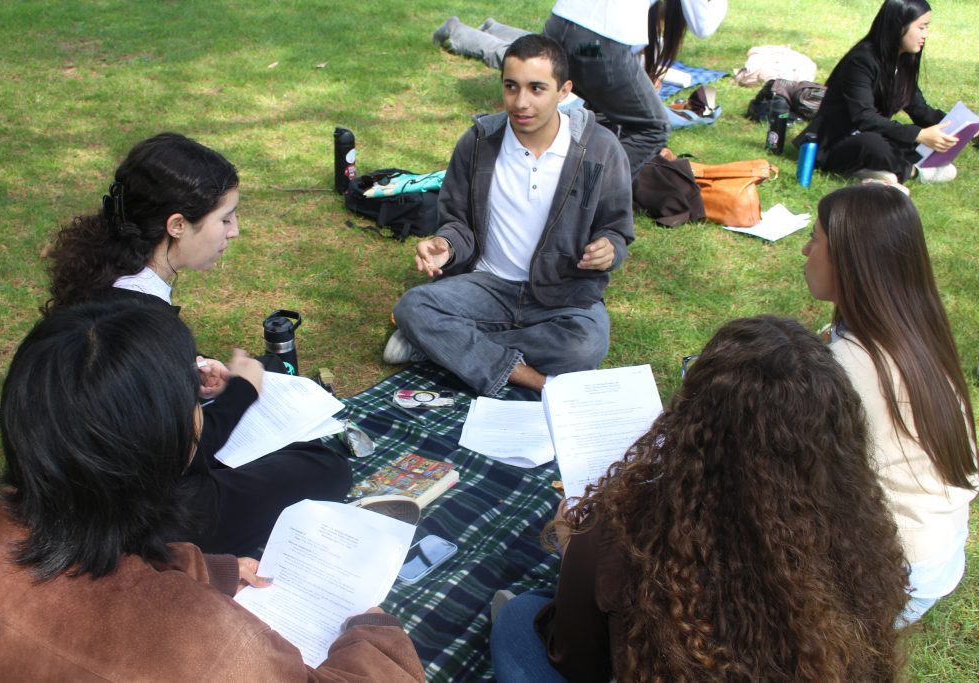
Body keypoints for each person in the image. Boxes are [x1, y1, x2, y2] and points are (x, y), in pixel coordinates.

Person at [0, 302, 425, 682]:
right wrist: (376, 636)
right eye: (193, 397)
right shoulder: (208, 645)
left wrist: (207, 570)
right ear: (170, 442)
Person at [490, 315, 908, 682]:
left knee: (518, 618)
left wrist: (575, 557)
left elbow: (577, 665)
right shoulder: (856, 538)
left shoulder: (626, 534)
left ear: (697, 424)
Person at [44, 132, 352, 556]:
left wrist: (187, 376)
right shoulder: (150, 326)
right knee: (325, 465)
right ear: (176, 225)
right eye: (225, 219)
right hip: (139, 519)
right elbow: (187, 454)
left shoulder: (101, 288)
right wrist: (243, 389)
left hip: (76, 488)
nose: (234, 231)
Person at [383, 34, 634, 397]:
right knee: (413, 307)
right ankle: (533, 379)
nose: (521, 102)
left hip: (562, 294)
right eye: (511, 86)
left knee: (586, 345)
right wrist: (445, 245)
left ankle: (440, 345)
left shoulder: (600, 149)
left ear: (564, 91)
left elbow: (617, 229)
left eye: (536, 88)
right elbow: (457, 223)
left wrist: (608, 248)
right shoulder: (478, 142)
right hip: (487, 285)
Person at [802, 184, 977, 624]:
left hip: (893, 575)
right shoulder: (912, 327)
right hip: (938, 551)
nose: (805, 250)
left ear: (849, 261)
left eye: (816, 238)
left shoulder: (845, 368)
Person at [544, 0, 728, 177]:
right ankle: (587, 192)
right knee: (652, 128)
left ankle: (569, 180)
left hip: (559, 27)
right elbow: (703, 25)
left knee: (605, 112)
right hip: (598, 43)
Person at [796, 0, 960, 184]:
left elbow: (919, 109)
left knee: (911, 142)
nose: (925, 35)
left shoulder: (902, 61)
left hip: (874, 135)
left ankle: (875, 171)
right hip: (836, 142)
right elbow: (864, 117)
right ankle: (913, 172)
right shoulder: (861, 61)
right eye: (921, 27)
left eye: (926, 28)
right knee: (874, 144)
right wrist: (919, 134)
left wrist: (960, 126)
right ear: (899, 26)